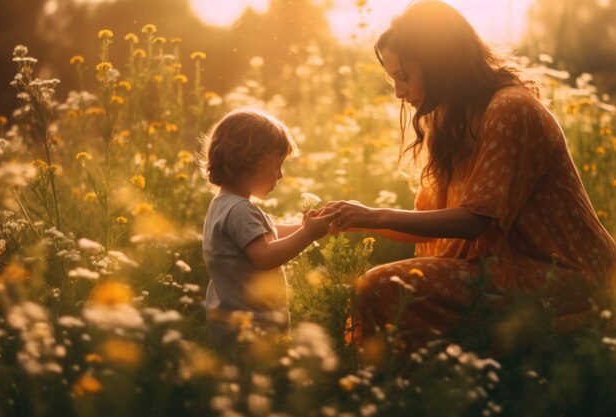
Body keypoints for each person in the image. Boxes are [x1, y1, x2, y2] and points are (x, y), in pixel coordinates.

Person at [317, 0, 616, 351]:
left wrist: (374, 215)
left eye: (404, 76)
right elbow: (430, 221)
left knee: (384, 285)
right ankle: (398, 389)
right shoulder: (450, 120)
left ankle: (388, 392)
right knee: (390, 286)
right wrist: (355, 219)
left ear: (440, 64)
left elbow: (475, 221)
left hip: (565, 274)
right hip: (509, 267)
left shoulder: (509, 108)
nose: (399, 91)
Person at [200, 107, 340, 352]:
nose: (281, 175)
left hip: (232, 324)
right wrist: (307, 234)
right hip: (250, 331)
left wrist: (304, 226)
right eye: (277, 166)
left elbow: (267, 232)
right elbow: (263, 255)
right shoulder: (240, 209)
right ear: (248, 161)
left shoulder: (224, 204)